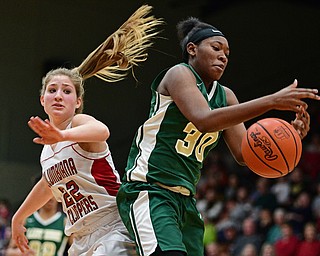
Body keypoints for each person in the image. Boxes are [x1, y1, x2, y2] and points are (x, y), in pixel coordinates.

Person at [116, 16, 320, 256]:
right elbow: (203, 120)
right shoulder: (179, 74)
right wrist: (271, 101)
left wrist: (291, 136)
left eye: (227, 53)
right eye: (216, 48)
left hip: (187, 202)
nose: (223, 56)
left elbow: (245, 154)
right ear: (192, 49)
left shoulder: (227, 96)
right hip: (151, 191)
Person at [10, 5, 163, 256]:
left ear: (78, 102)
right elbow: (48, 184)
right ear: (42, 100)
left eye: (67, 91)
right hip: (79, 238)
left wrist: (63, 135)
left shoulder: (79, 124)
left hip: (113, 226)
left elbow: (102, 131)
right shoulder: (48, 149)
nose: (59, 96)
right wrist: (19, 217)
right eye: (52, 90)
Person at [5, 198, 70, 256]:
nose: (50, 198)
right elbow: (9, 251)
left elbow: (77, 249)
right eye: (47, 194)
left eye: (53, 195)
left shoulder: (65, 222)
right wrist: (19, 253)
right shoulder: (26, 220)